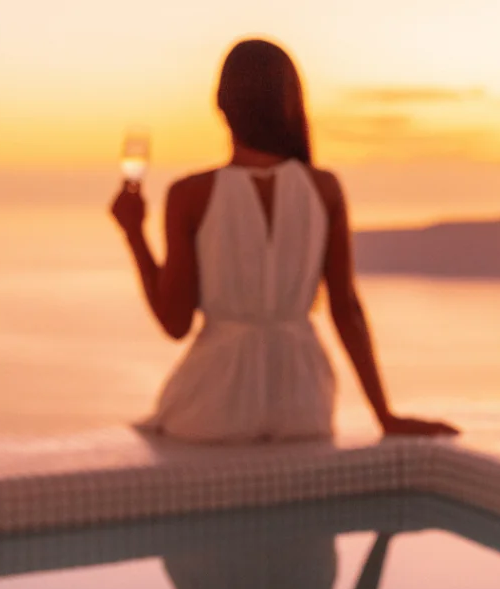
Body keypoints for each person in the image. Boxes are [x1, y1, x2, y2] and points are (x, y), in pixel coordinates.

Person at [109, 38, 459, 442]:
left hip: (212, 404)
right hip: (302, 402)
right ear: (291, 104)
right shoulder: (324, 189)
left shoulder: (190, 195)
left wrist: (134, 233)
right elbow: (347, 311)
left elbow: (175, 322)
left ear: (222, 105)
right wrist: (385, 416)